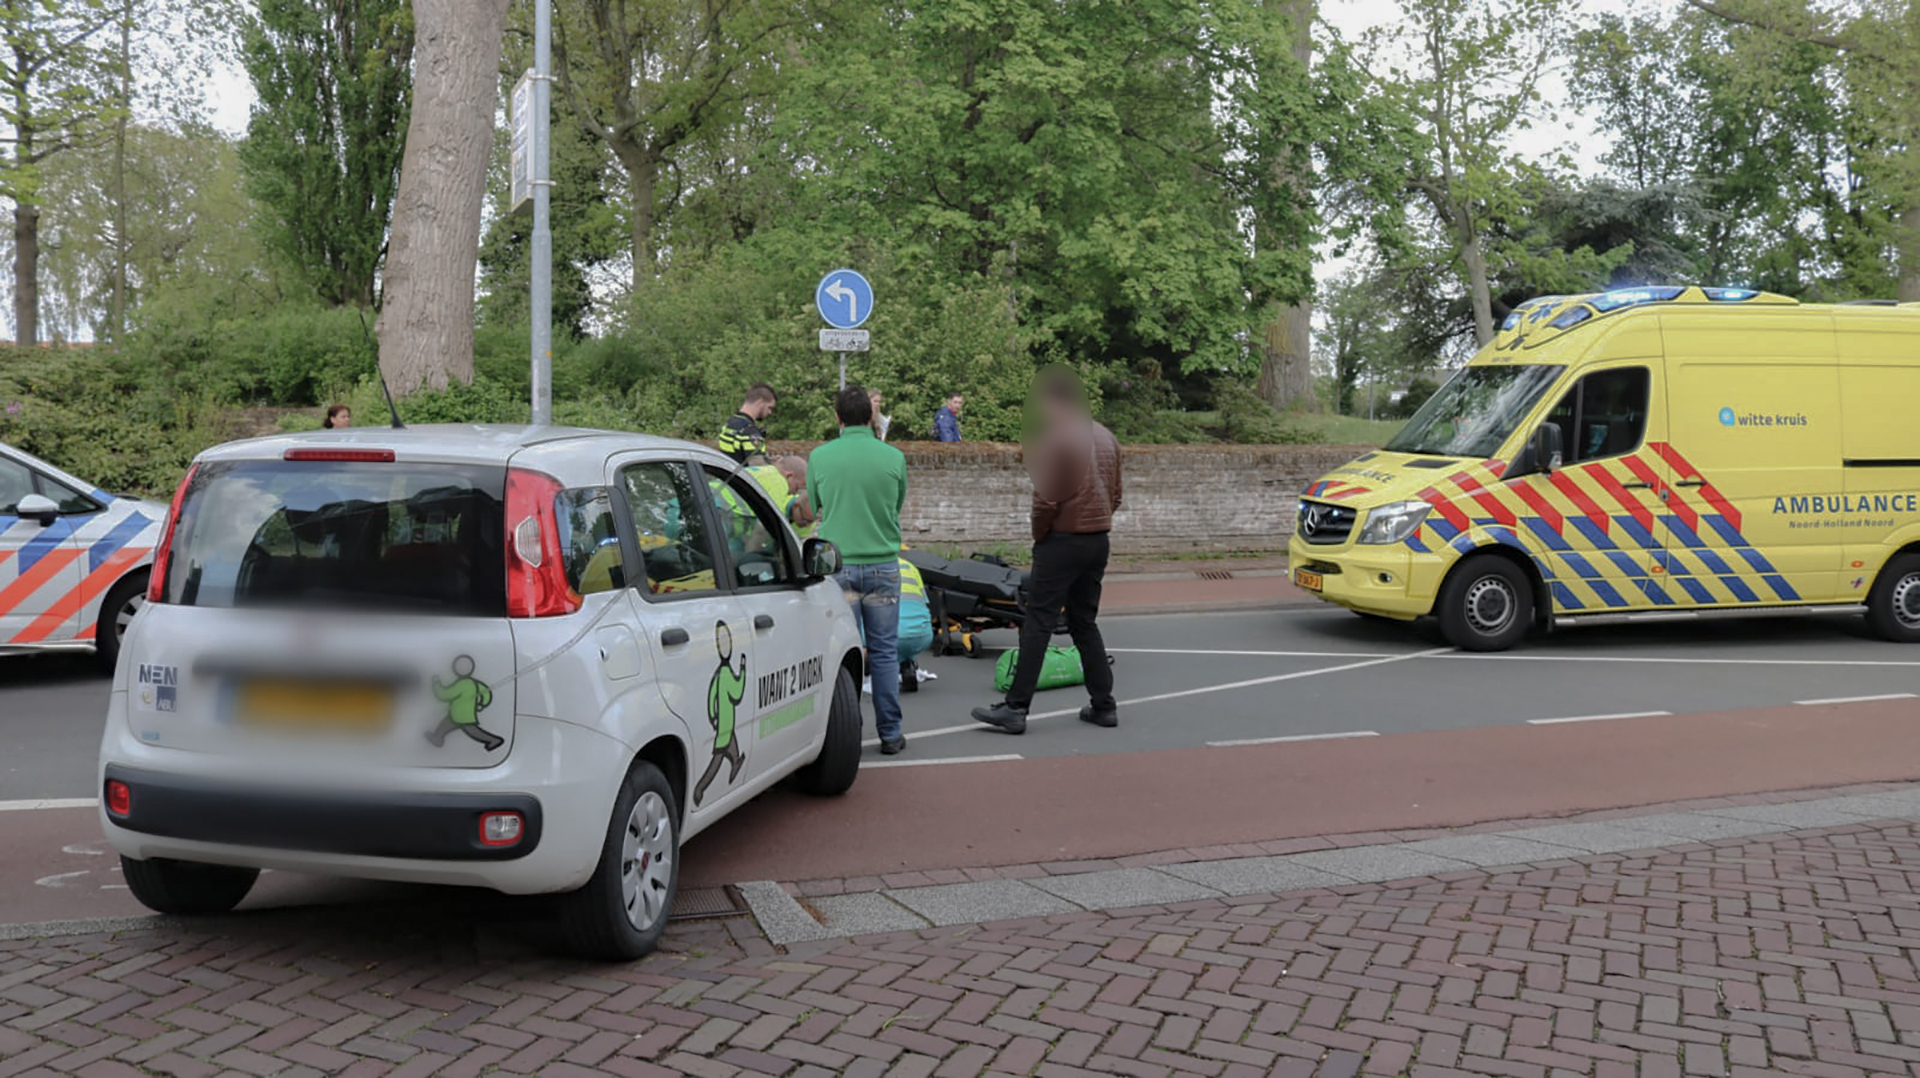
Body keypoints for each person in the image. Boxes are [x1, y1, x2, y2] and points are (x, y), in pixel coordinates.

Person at [972, 366, 1122, 734]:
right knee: (1084, 622)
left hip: (1062, 541)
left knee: (1038, 621)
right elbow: (1116, 495)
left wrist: (1041, 536)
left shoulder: (1055, 439)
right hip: (1097, 539)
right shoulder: (1107, 438)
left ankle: (1016, 708)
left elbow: (1045, 499)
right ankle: (1104, 704)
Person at [808, 386, 909, 754]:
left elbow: (814, 506)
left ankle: (847, 734)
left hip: (839, 567)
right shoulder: (893, 457)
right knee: (884, 652)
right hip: (883, 566)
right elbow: (896, 505)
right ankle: (891, 733)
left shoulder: (820, 457)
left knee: (843, 654)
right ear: (870, 417)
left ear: (837, 418)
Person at [896, 553, 933, 693]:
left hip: (892, 636)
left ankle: (872, 669)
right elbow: (924, 602)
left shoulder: (871, 568)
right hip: (923, 635)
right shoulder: (910, 567)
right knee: (905, 638)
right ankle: (907, 664)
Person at [719, 383, 776, 463]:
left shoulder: (730, 423)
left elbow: (737, 456)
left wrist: (768, 460)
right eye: (769, 407)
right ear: (760, 402)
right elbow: (757, 467)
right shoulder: (749, 430)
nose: (770, 412)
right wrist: (777, 466)